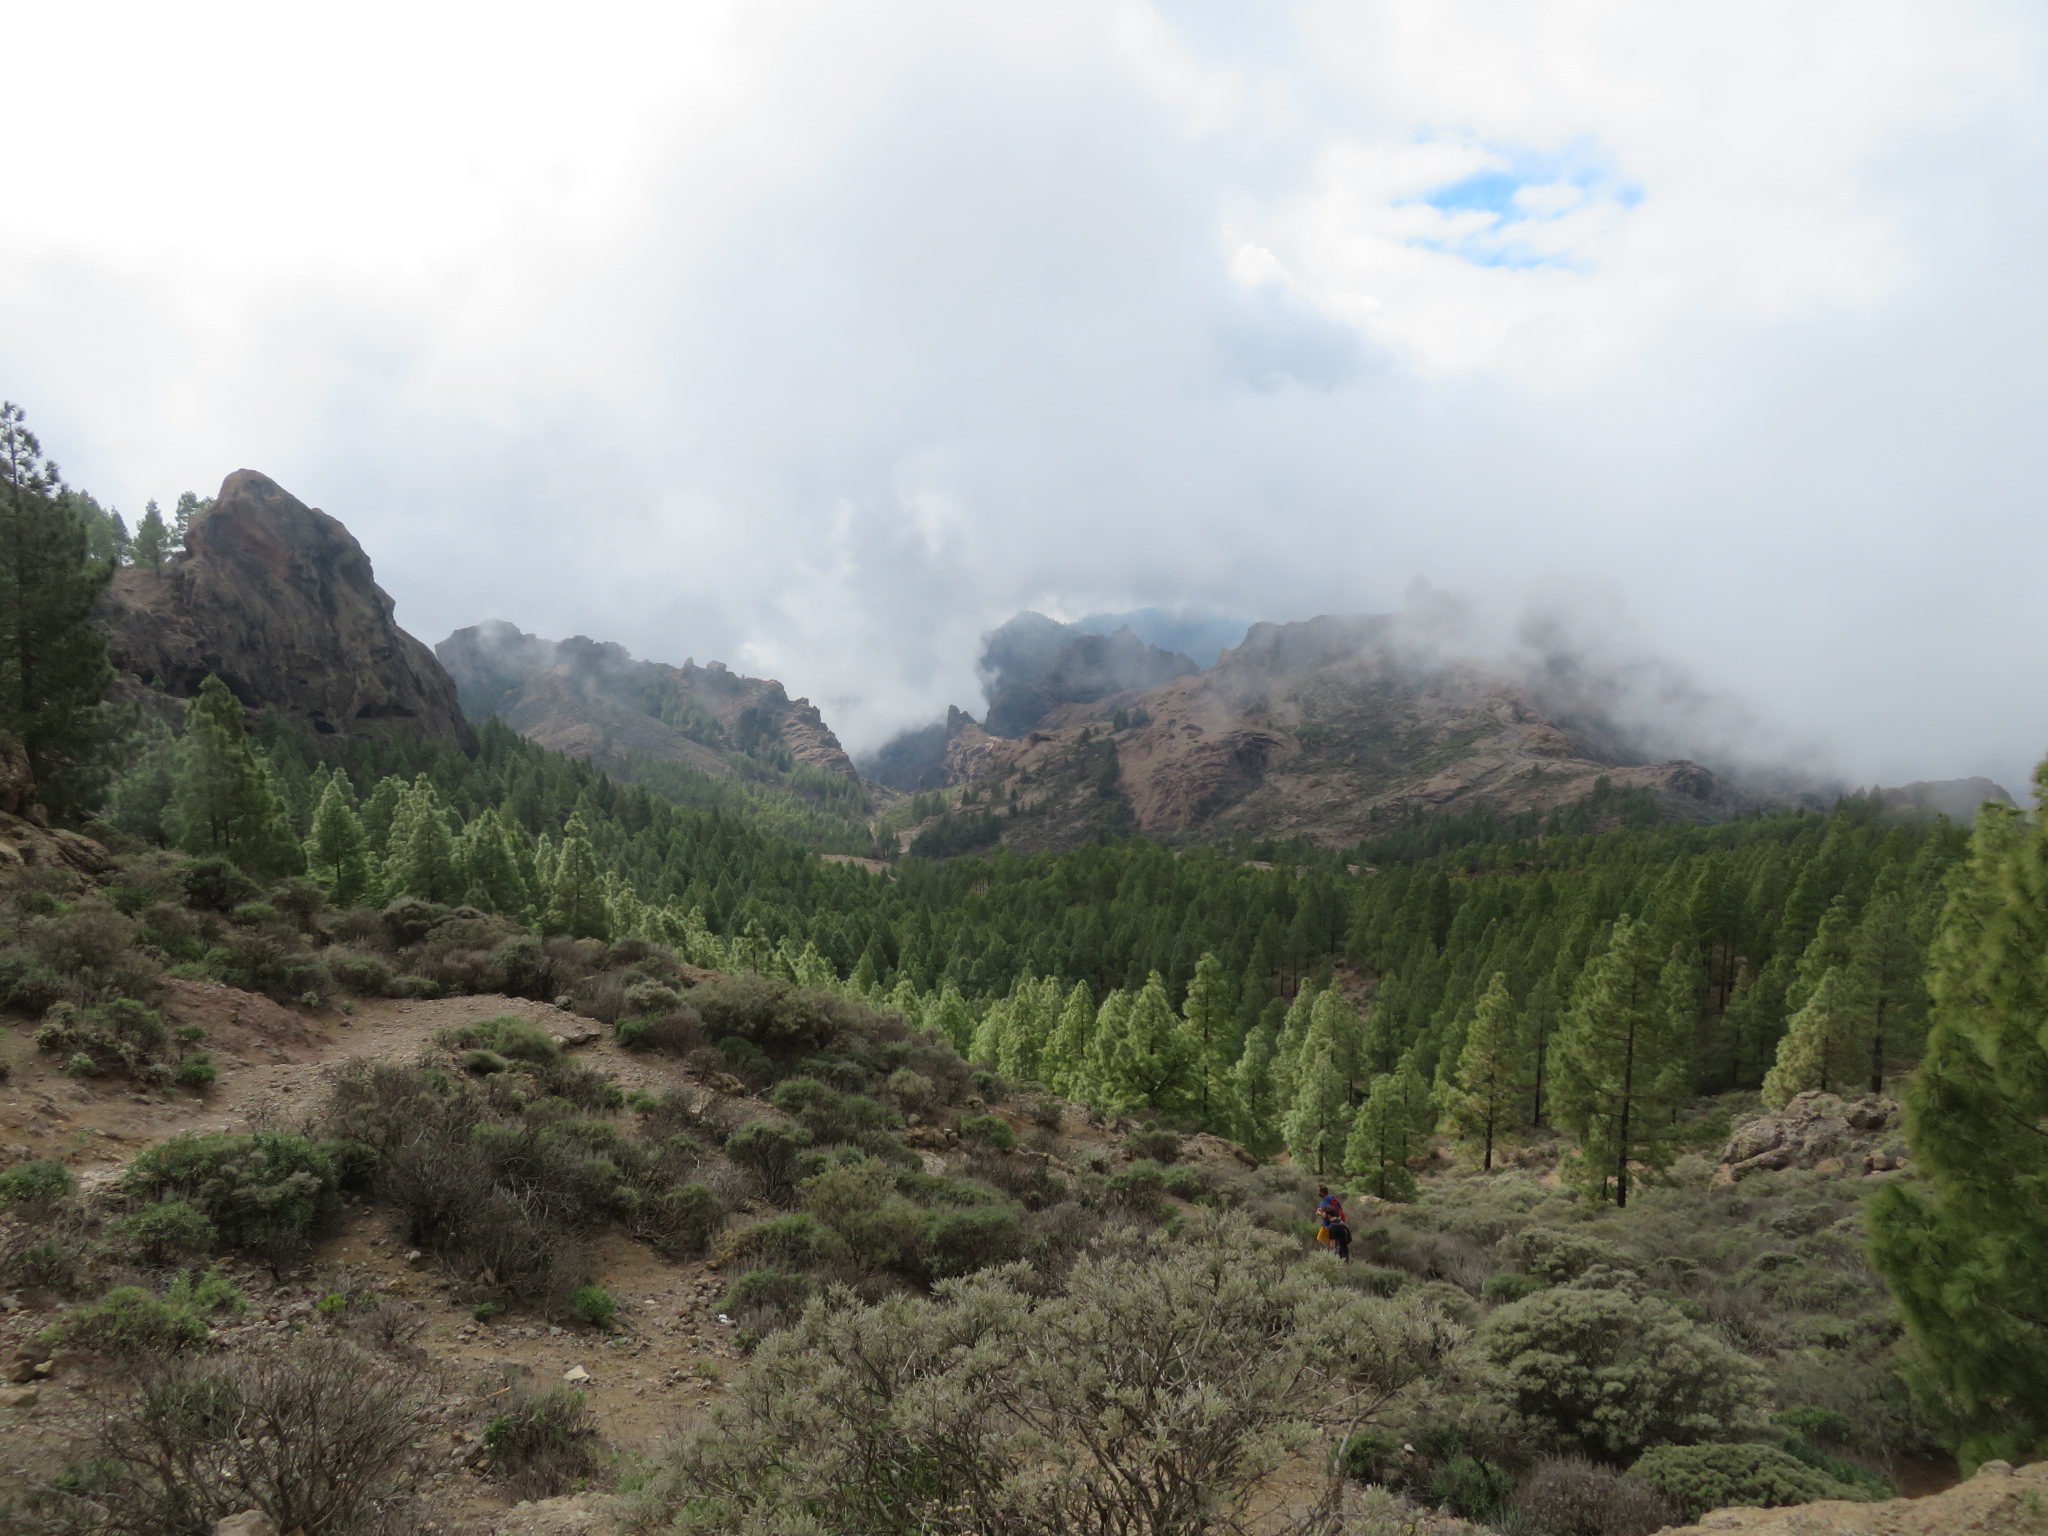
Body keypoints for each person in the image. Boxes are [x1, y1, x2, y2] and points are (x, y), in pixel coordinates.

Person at [1315, 1184, 1352, 1263]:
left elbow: (1325, 1215)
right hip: (1336, 1223)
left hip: (1329, 1226)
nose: (1317, 1192)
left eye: (1318, 1191)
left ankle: (1331, 1259)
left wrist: (1319, 1213)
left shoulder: (1325, 1202)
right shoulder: (1331, 1198)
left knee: (1331, 1245)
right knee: (1341, 1246)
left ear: (1321, 1193)